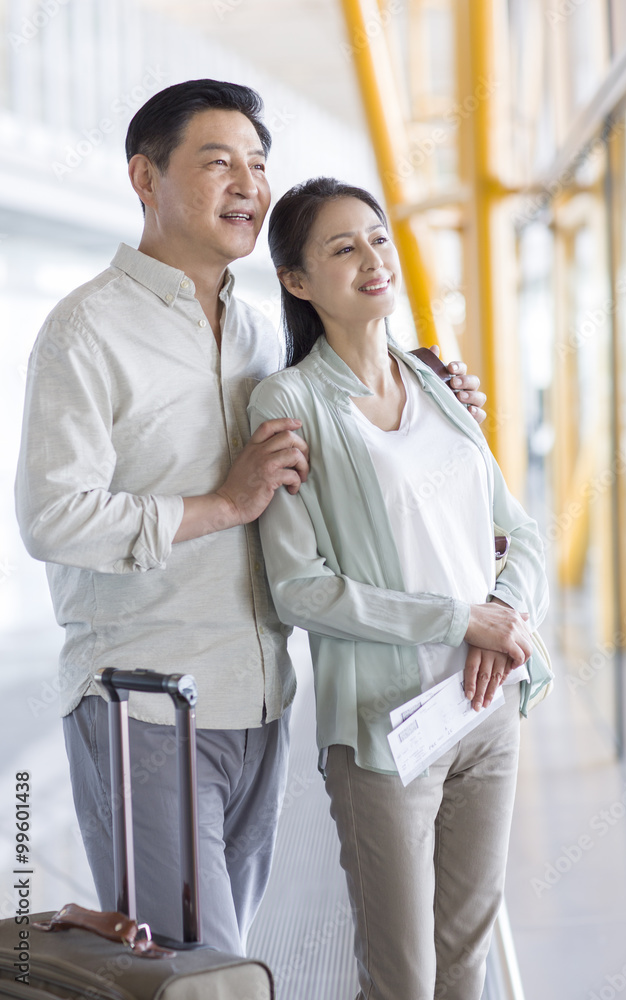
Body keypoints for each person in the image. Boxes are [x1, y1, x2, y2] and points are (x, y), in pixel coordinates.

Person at [14, 82, 486, 952]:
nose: (247, 182)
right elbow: (52, 516)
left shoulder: (266, 330)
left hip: (262, 702)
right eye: (217, 160)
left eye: (258, 163)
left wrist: (420, 394)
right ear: (143, 177)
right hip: (145, 704)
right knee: (193, 972)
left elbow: (343, 436)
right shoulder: (87, 331)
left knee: (216, 962)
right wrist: (222, 504)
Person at [248, 177, 549, 999]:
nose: (371, 258)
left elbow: (520, 534)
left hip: (483, 709)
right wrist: (464, 618)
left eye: (377, 238)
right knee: (403, 979)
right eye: (342, 247)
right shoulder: (291, 401)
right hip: (386, 731)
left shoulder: (437, 388)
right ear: (298, 281)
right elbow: (300, 590)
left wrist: (506, 617)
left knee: (465, 962)